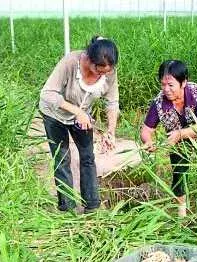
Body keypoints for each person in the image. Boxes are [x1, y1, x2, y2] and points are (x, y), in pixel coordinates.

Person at [39, 36, 119, 213]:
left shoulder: (109, 72)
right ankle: (67, 207)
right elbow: (47, 94)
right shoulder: (70, 63)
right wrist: (78, 112)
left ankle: (92, 204)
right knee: (62, 158)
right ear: (89, 60)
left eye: (107, 72)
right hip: (55, 113)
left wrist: (110, 131)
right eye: (99, 71)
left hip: (82, 116)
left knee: (88, 157)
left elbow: (112, 102)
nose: (103, 75)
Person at [140, 60, 197, 217]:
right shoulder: (159, 103)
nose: (166, 90)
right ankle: (182, 216)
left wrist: (180, 134)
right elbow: (146, 130)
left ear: (183, 82)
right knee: (179, 175)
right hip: (178, 143)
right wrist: (148, 141)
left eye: (171, 85)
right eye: (163, 85)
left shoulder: (196, 93)